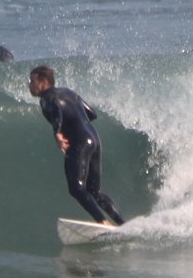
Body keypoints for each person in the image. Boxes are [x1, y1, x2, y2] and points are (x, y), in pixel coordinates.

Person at [29, 65, 124, 226]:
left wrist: (58, 131)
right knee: (95, 192)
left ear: (44, 82)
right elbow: (92, 113)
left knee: (76, 188)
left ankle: (102, 222)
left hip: (79, 143)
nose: (29, 84)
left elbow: (57, 109)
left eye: (32, 80)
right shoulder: (68, 92)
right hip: (94, 138)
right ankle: (122, 224)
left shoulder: (46, 98)